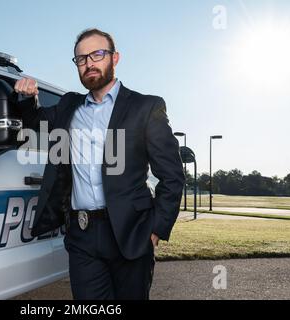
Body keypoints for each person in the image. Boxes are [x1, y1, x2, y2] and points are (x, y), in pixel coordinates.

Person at [14, 28, 184, 300]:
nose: (89, 63)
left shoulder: (146, 107)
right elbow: (35, 122)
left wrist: (155, 231)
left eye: (97, 54)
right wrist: (27, 97)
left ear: (115, 58)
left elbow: (173, 177)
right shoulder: (68, 106)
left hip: (131, 233)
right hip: (82, 236)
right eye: (81, 59)